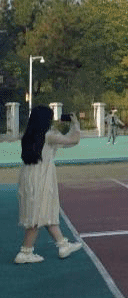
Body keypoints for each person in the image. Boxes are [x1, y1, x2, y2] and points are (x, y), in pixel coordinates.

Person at [7, 107, 83, 264]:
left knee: (44, 210)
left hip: (28, 174)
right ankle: (25, 252)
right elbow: (73, 140)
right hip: (42, 176)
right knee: (37, 213)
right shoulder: (49, 135)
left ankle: (62, 245)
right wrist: (75, 124)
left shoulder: (29, 135)